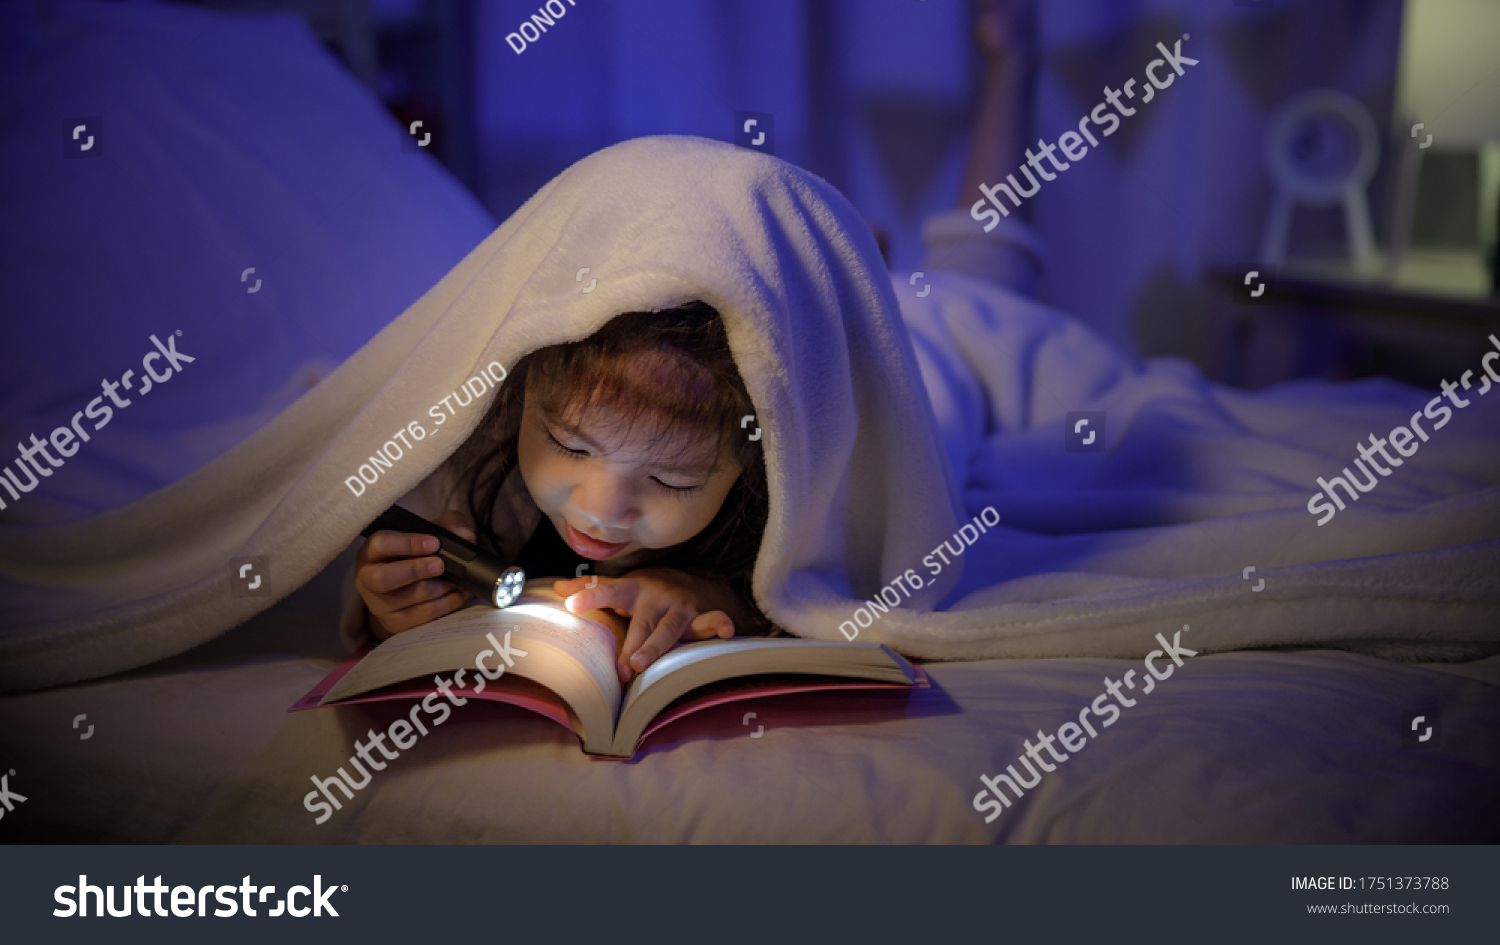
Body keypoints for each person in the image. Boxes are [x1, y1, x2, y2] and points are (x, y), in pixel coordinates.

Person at [350, 302, 770, 683]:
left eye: (671, 481)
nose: (600, 511)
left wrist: (703, 596)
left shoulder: (769, 523)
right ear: (525, 393)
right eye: (571, 445)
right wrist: (393, 613)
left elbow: (796, 604)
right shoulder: (475, 477)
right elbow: (380, 638)